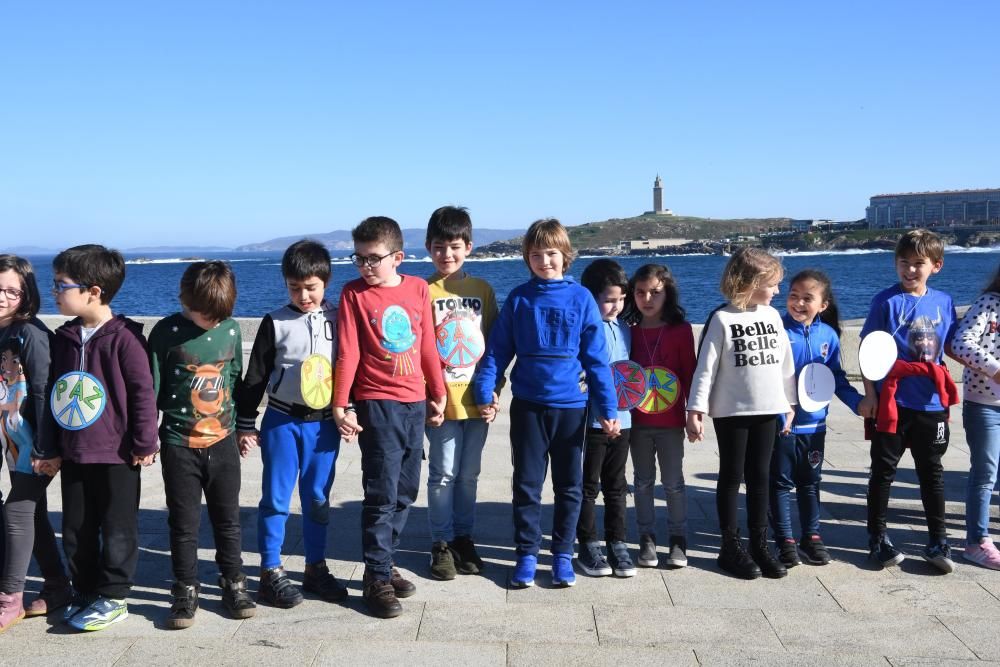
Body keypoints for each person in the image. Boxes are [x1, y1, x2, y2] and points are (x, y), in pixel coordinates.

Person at [472, 218, 620, 590]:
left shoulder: (582, 299)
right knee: (526, 483)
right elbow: (497, 351)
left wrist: (608, 408)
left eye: (551, 253)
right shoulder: (520, 298)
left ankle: (562, 556)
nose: (544, 261)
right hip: (528, 407)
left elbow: (596, 360)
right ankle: (526, 553)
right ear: (527, 258)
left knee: (569, 486)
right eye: (536, 254)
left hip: (571, 407)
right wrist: (485, 390)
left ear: (565, 256)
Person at [333, 216, 446, 619]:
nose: (365, 266)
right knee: (380, 492)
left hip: (415, 402)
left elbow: (428, 346)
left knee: (406, 490)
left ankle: (385, 561)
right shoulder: (353, 295)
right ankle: (375, 577)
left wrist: (438, 392)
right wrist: (340, 403)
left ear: (397, 257)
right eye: (358, 258)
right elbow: (348, 352)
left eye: (373, 259)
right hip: (376, 402)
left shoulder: (418, 289)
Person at [46, 244, 159, 631]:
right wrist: (51, 447)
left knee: (118, 526)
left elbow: (143, 393)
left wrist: (145, 442)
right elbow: (53, 394)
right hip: (75, 452)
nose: (55, 291)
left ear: (93, 291)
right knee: (76, 527)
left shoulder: (125, 338)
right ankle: (86, 590)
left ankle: (114, 595)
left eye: (61, 284)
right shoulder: (63, 338)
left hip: (117, 453)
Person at [236, 240, 346, 609]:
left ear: (326, 282)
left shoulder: (340, 317)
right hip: (282, 421)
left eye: (311, 287)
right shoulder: (275, 321)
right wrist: (246, 423)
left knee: (317, 498)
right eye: (294, 287)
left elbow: (352, 367)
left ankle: (315, 567)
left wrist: (353, 408)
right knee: (276, 498)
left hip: (325, 426)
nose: (303, 295)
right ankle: (270, 571)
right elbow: (255, 376)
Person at [148, 261, 256, 629]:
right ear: (184, 299)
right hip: (179, 443)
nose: (211, 321)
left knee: (228, 520)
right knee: (183, 522)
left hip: (223, 442)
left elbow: (236, 380)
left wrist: (244, 427)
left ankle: (234, 582)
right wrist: (146, 437)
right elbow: (151, 389)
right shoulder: (166, 333)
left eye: (218, 315)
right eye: (204, 314)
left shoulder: (229, 330)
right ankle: (185, 588)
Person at [686, 247, 795, 580]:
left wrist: (789, 402)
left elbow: (784, 363)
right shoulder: (722, 319)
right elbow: (705, 368)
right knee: (732, 476)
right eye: (772, 284)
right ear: (750, 282)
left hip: (768, 408)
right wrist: (695, 408)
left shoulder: (772, 317)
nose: (778, 291)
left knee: (761, 476)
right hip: (731, 411)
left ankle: (760, 543)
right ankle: (730, 546)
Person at [858, 229, 958, 573]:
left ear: (936, 266)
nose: (911, 270)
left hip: (932, 401)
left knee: (932, 472)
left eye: (919, 263)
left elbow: (953, 346)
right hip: (893, 401)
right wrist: (870, 394)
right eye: (904, 263)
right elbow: (867, 350)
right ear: (895, 263)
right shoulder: (885, 302)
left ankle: (938, 539)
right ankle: (878, 536)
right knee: (883, 470)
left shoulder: (943, 302)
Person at [423, 206, 500, 580]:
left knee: (468, 474)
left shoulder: (482, 290)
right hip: (440, 402)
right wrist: (428, 396)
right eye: (439, 247)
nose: (447, 255)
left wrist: (494, 393)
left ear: (468, 246)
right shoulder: (421, 291)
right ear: (428, 247)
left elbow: (496, 347)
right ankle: (440, 542)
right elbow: (418, 347)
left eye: (454, 246)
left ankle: (463, 539)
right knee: (442, 474)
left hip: (477, 401)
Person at [769, 270, 861, 568]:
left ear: (823, 304)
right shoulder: (777, 331)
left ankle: (812, 535)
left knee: (810, 481)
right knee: (781, 483)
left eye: (807, 298)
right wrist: (781, 408)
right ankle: (785, 539)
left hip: (814, 425)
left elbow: (836, 378)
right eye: (793, 295)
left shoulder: (828, 336)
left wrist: (859, 404)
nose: (798, 303)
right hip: (781, 425)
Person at [0, 255, 71, 632]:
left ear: (26, 294)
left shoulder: (31, 334)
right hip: (12, 442)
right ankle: (58, 586)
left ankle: (9, 600)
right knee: (33, 514)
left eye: (12, 291)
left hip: (37, 444)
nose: (2, 297)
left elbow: (44, 394)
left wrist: (47, 448)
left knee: (15, 513)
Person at [626, 264, 695, 569]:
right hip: (637, 422)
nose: (647, 298)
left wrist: (695, 414)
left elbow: (690, 374)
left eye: (655, 292)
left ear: (668, 293)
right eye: (640, 292)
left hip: (670, 422)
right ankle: (647, 538)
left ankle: (678, 539)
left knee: (673, 482)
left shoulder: (680, 330)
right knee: (641, 482)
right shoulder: (627, 329)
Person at [575, 259, 636, 578]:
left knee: (617, 484)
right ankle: (587, 541)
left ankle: (617, 541)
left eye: (621, 299)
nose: (616, 306)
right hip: (595, 422)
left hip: (623, 420)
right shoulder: (587, 328)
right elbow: (587, 377)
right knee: (589, 484)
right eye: (609, 300)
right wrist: (604, 414)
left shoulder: (624, 327)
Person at [951, 264, 1000, 570]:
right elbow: (960, 342)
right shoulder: (989, 304)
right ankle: (976, 541)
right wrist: (995, 370)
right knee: (985, 473)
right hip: (984, 403)